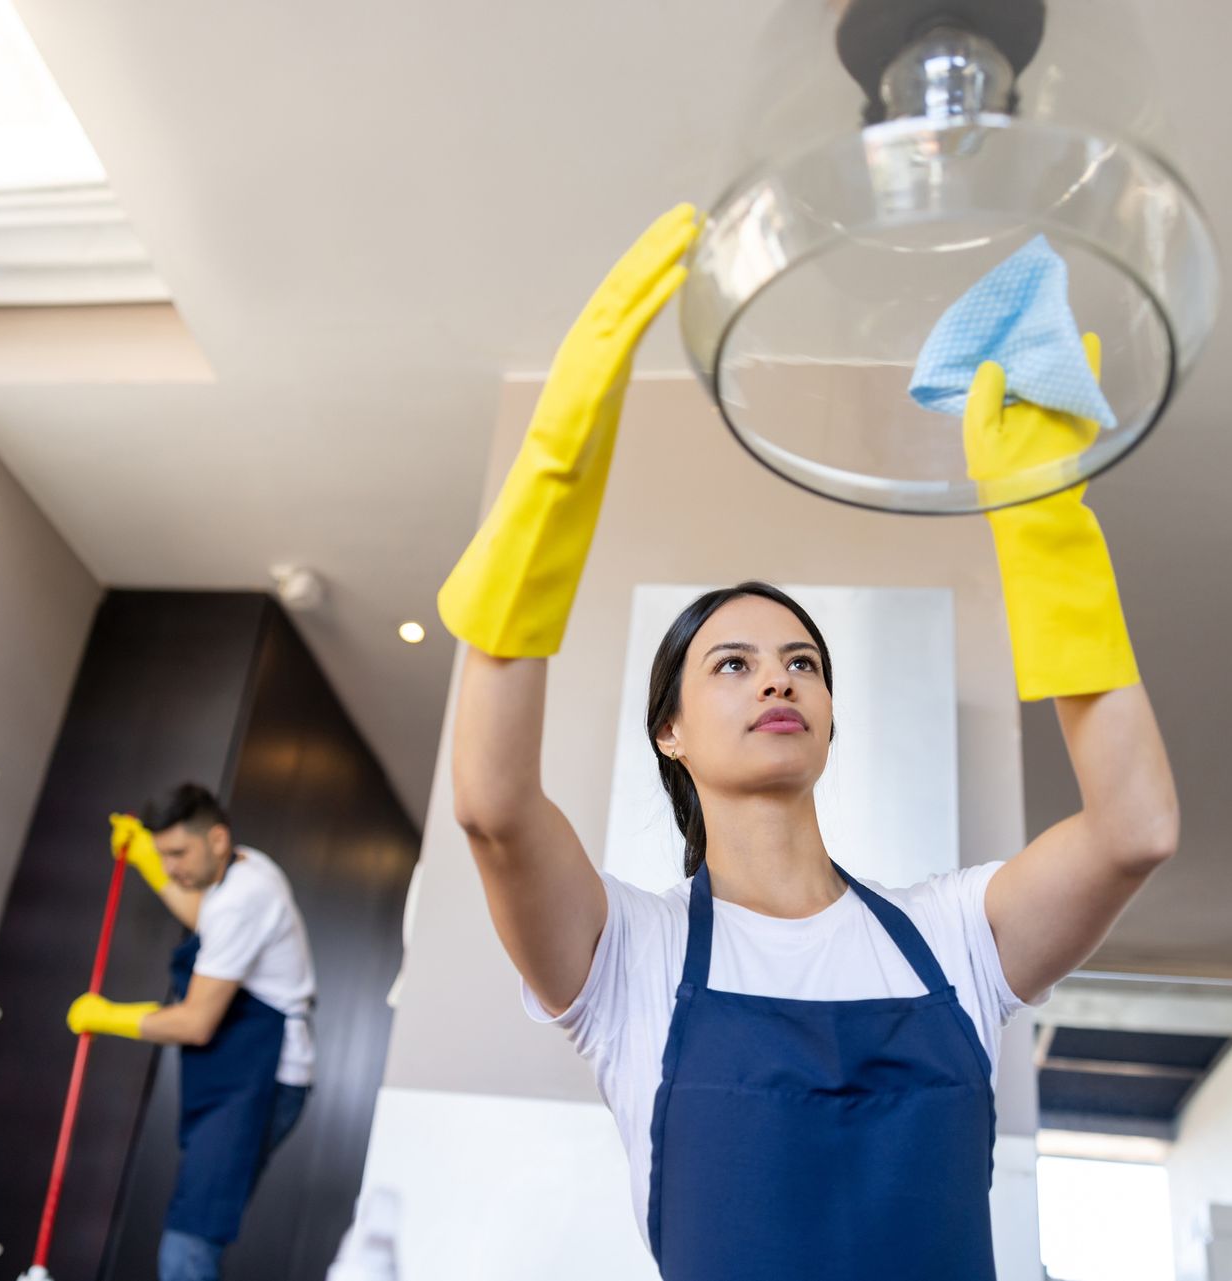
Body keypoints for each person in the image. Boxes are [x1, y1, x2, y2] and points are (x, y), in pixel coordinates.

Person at [434, 205, 1179, 1280]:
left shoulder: (954, 939)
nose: (778, 676)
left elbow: (1136, 829)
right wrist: (553, 473)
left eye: (803, 663)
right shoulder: (627, 961)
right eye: (730, 664)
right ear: (671, 732)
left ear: (829, 718)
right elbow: (492, 807)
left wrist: (1037, 518)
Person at [65, 783, 318, 1281]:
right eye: (165, 855)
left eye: (178, 853)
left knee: (190, 1240)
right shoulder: (248, 866)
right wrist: (144, 860)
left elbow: (197, 1023)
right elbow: (207, 917)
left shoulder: (245, 898)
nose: (174, 868)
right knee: (193, 1227)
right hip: (245, 1072)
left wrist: (108, 1016)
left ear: (218, 839)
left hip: (264, 1081)